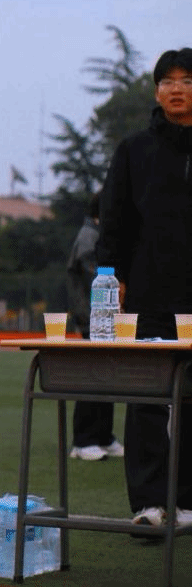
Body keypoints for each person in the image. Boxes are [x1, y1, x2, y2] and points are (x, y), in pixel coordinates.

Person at [97, 47, 192, 527]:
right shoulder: (134, 150)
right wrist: (111, 278)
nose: (177, 89)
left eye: (187, 81)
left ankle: (189, 503)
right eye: (168, 81)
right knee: (147, 400)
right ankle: (150, 505)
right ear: (156, 91)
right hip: (148, 294)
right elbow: (113, 219)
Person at [65, 192, 123, 462]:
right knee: (93, 375)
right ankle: (83, 439)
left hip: (102, 317)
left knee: (106, 375)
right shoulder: (90, 237)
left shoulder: (97, 235)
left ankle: (103, 436)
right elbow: (95, 278)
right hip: (92, 317)